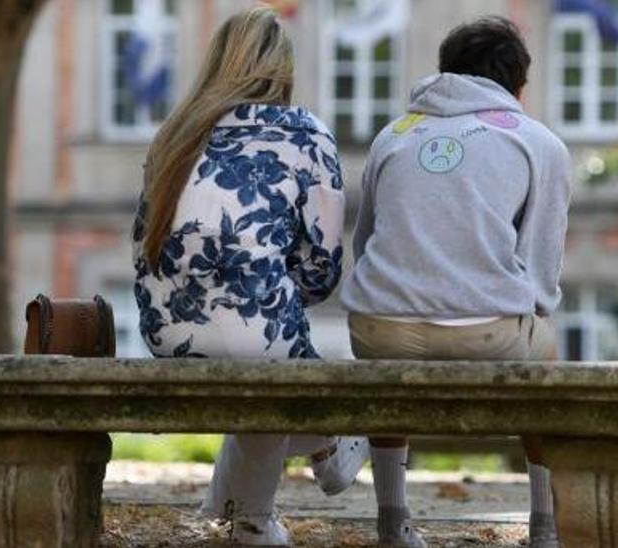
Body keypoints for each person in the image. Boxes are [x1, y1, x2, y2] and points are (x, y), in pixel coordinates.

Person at [131, 8, 366, 546]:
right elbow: (321, 271)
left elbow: (147, 247)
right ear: (284, 69)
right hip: (259, 336)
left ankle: (234, 508)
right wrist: (263, 285)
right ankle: (277, 495)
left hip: (167, 333)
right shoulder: (305, 134)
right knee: (266, 354)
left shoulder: (174, 134)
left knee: (258, 353)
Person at [341, 16, 572, 548]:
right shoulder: (540, 143)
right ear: (518, 84)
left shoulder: (393, 134)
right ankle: (544, 526)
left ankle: (393, 522)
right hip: (487, 333)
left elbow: (366, 241)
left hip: (381, 329)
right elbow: (541, 269)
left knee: (387, 383)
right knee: (548, 361)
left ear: (444, 73)